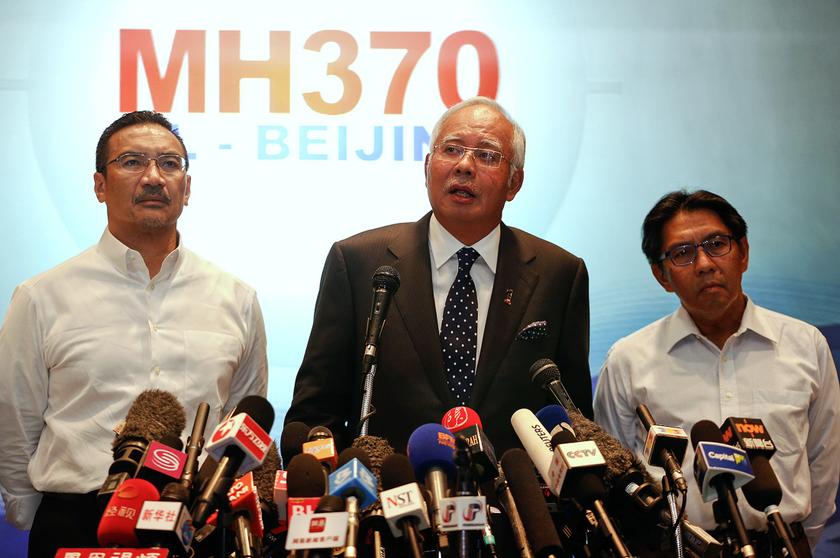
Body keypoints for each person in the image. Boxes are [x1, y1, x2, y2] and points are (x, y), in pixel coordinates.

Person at [0, 111, 268, 556]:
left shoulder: (236, 297)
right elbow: (14, 421)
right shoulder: (41, 296)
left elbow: (240, 425)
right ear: (99, 185)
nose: (153, 177)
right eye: (131, 162)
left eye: (169, 163)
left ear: (187, 187)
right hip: (77, 523)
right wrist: (30, 516)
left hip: (198, 528)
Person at [285, 96, 592, 454]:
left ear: (514, 183)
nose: (464, 166)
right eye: (452, 149)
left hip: (514, 503)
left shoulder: (559, 274)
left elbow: (576, 421)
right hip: (389, 498)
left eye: (487, 155)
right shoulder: (357, 263)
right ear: (428, 166)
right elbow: (316, 413)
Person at [594, 189, 840, 551]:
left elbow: (823, 468)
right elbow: (618, 481)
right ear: (662, 275)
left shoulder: (805, 345)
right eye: (682, 253)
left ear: (743, 253)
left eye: (716, 244)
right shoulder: (628, 361)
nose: (705, 263)